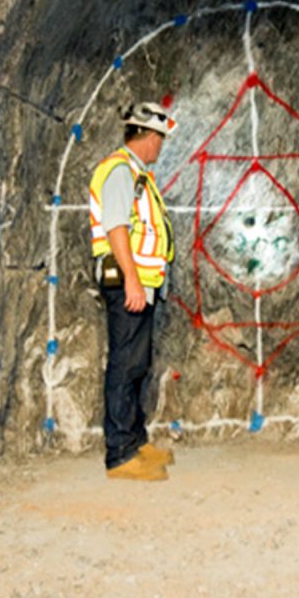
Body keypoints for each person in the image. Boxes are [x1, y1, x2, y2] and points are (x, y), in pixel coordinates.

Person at [88, 101, 179, 481]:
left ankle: (136, 441)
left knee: (137, 364)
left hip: (143, 283)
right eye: (160, 139)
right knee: (125, 364)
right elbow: (116, 228)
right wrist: (132, 279)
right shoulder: (119, 171)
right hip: (129, 283)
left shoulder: (137, 173)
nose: (161, 147)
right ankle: (120, 454)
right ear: (149, 136)